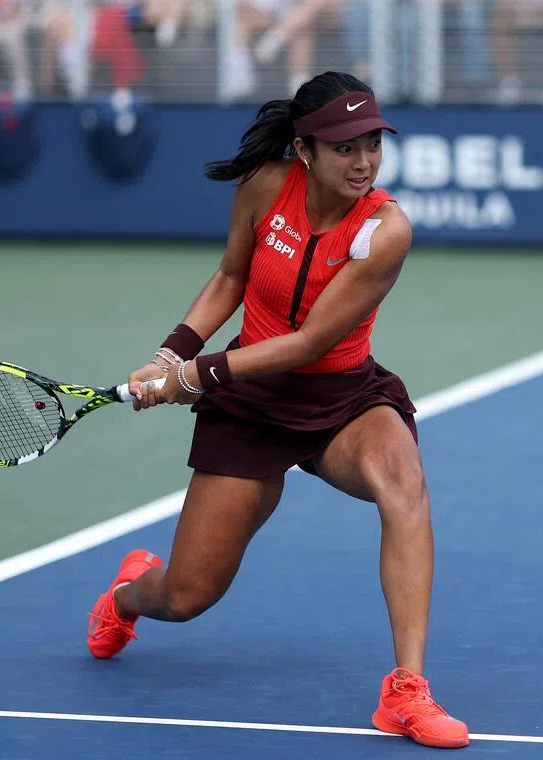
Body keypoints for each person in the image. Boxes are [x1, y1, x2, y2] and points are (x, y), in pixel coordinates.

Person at [85, 70, 470, 750]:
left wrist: (194, 377)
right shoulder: (265, 186)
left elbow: (311, 342)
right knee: (185, 596)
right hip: (252, 406)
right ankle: (126, 594)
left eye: (373, 144)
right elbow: (231, 275)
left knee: (404, 483)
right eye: (345, 147)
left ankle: (407, 690)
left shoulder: (385, 230)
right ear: (304, 150)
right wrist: (171, 354)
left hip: (343, 400)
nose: (364, 161)